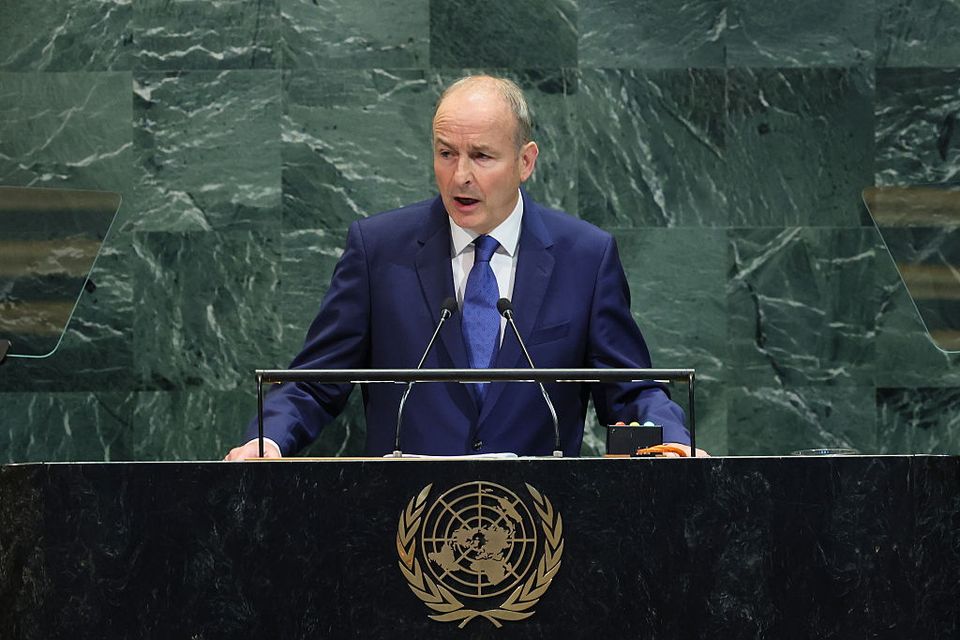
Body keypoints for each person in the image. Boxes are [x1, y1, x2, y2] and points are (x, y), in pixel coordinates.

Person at [226, 75, 700, 460]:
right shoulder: (378, 251)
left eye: (481, 156)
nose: (460, 176)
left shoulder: (585, 258)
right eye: (446, 153)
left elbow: (630, 390)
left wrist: (674, 442)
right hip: (402, 522)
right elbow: (315, 383)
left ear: (525, 162)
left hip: (537, 526)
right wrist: (270, 439)